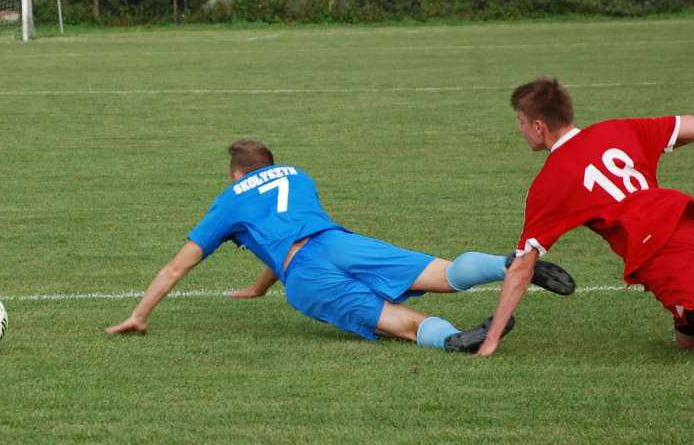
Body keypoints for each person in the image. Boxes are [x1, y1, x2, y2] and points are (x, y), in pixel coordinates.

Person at [105, 139, 575, 351]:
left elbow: (175, 268)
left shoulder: (230, 200)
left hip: (307, 274)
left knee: (401, 323)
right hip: (339, 242)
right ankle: (507, 263)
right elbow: (285, 229)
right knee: (443, 274)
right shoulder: (296, 174)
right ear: (273, 164)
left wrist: (139, 315)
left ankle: (451, 338)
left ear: (236, 174)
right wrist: (257, 287)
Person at [469, 78, 694, 357]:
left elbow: (521, 269)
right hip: (692, 233)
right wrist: (646, 152)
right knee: (690, 344)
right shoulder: (618, 129)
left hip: (662, 253)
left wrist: (492, 338)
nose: (520, 130)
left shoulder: (550, 182)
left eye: (521, 122)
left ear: (538, 126)